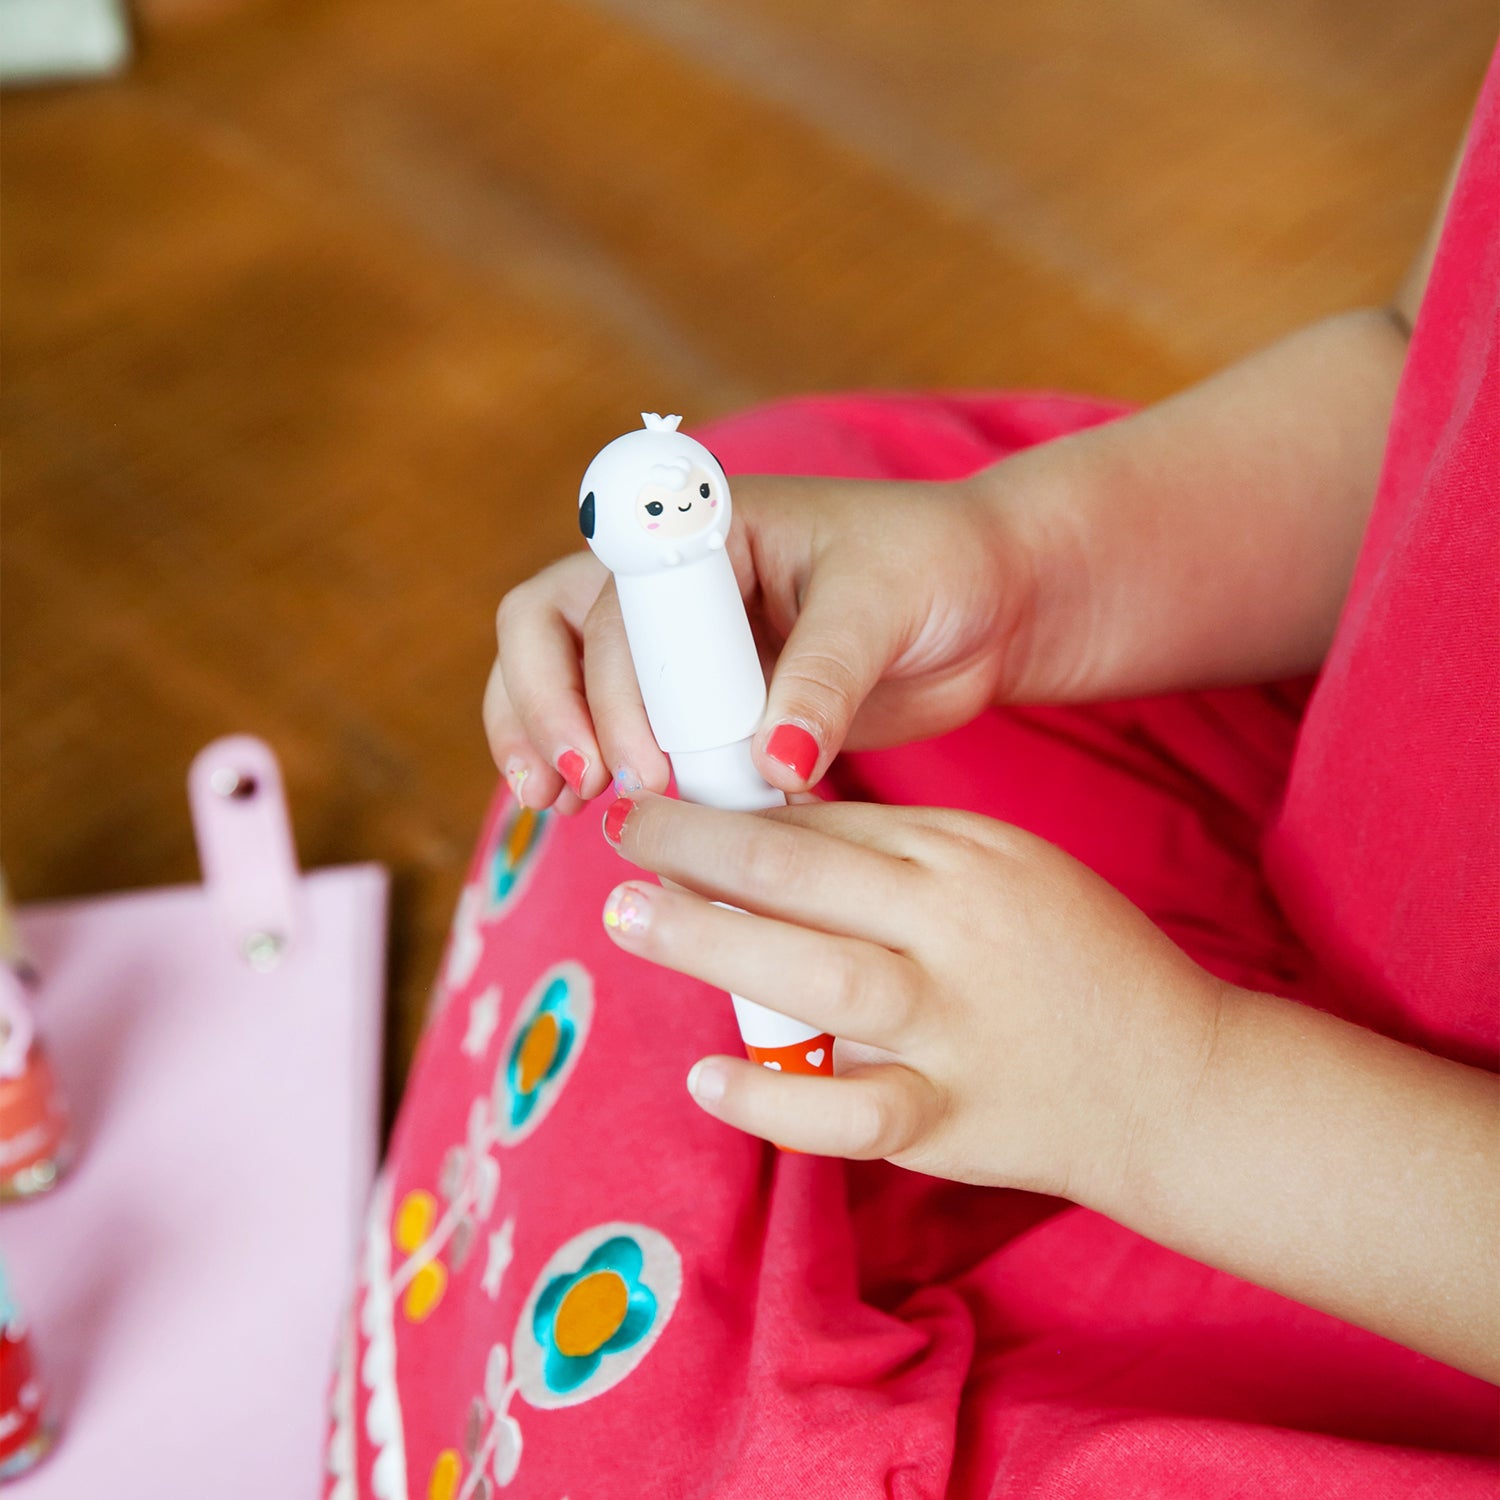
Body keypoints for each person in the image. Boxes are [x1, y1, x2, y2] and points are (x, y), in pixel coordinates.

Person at [326, 44, 1497, 1500]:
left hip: (1411, 1251)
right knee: (762, 590)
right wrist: (1019, 565)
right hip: (1344, 835)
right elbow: (1430, 392)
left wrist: (1174, 1097)